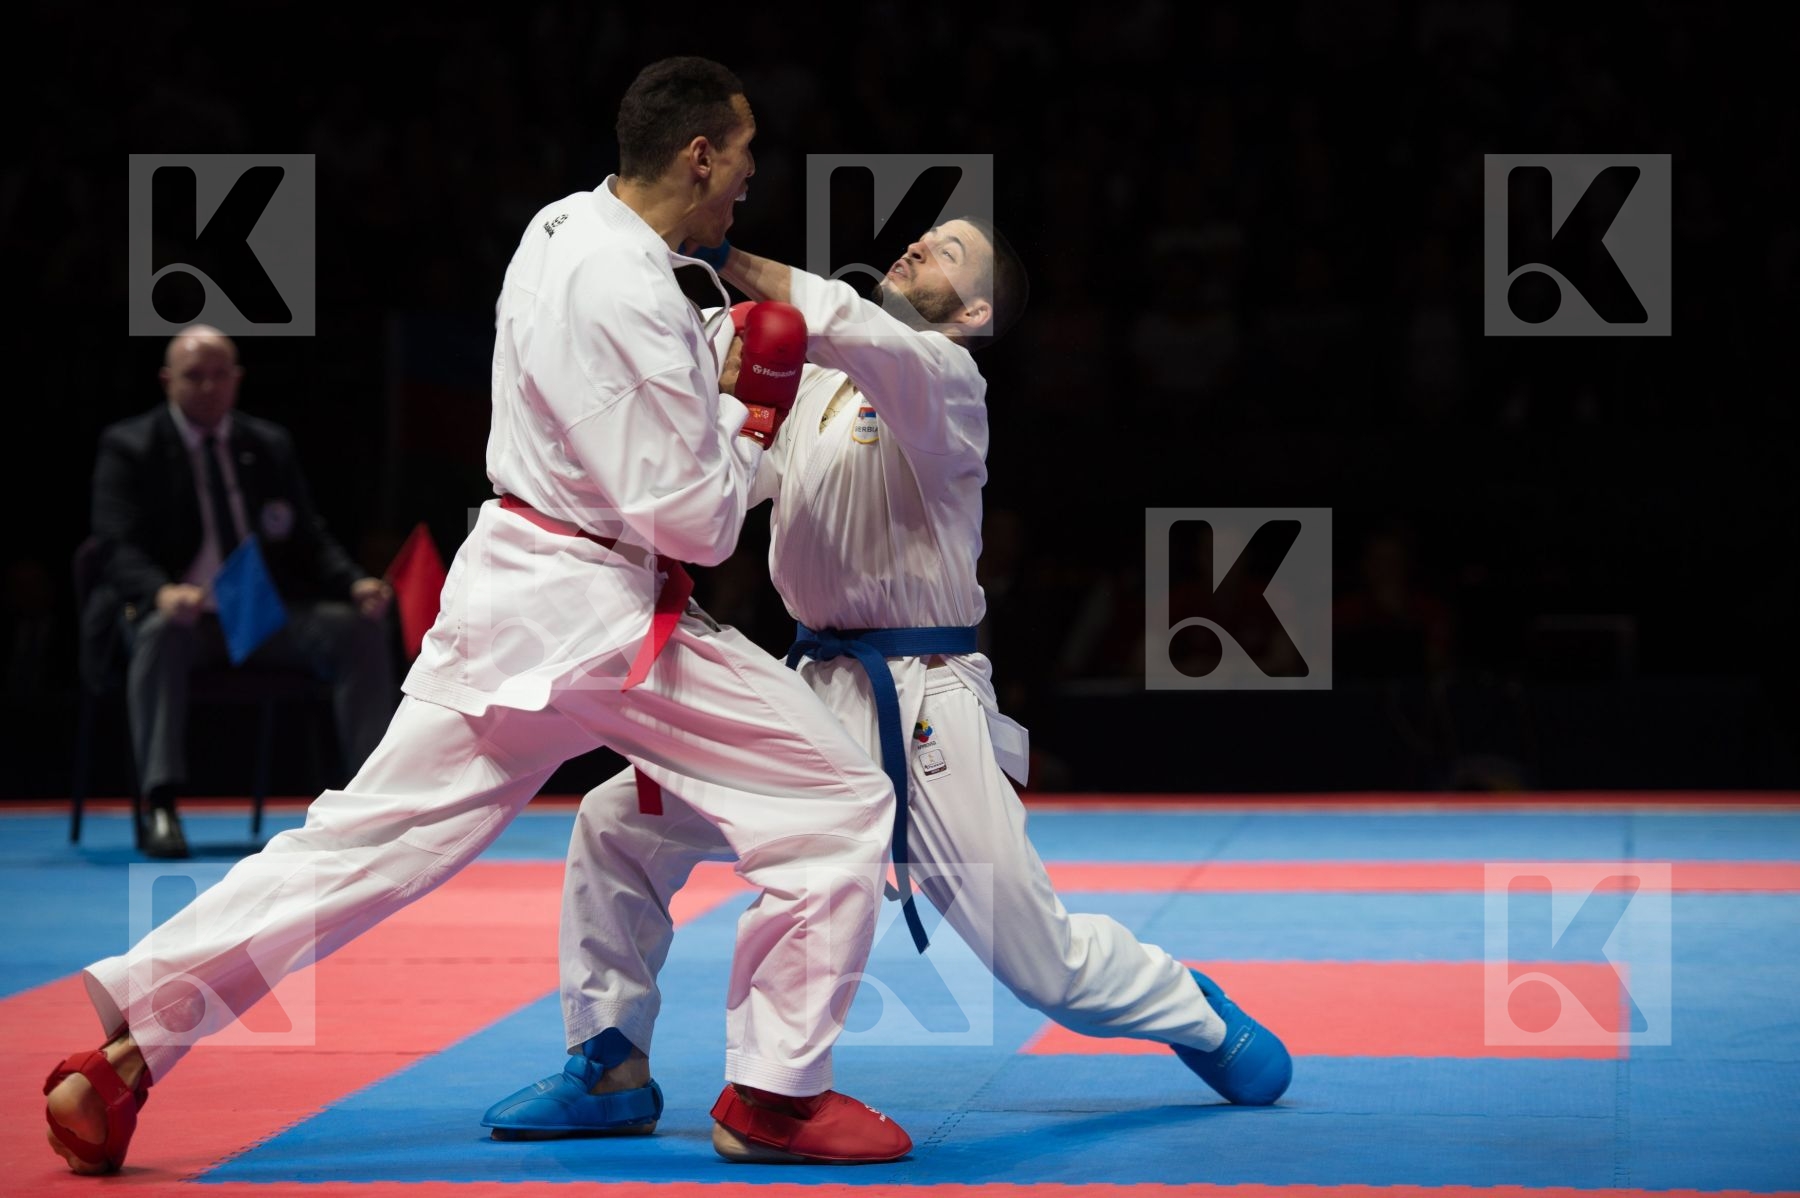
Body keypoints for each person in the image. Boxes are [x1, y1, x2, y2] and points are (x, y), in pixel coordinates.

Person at [44, 56, 911, 1175]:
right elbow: (692, 521)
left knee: (366, 841)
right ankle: (777, 1099)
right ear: (700, 155)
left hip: (512, 593)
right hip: (603, 616)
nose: (748, 185)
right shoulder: (634, 287)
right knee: (839, 801)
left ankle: (125, 1056)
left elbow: (605, 413)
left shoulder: (559, 228)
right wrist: (753, 420)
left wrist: (709, 376)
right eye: (742, 161)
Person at [482, 217, 1292, 1155]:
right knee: (619, 823)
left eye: (948, 252)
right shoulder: (822, 385)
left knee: (1041, 963)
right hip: (806, 685)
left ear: (977, 309)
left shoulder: (947, 384)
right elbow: (723, 484)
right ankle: (610, 1063)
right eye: (920, 237)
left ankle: (1196, 1014)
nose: (917, 247)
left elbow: (846, 322)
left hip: (922, 701)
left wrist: (720, 254)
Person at [85, 327, 397, 858]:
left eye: (218, 375)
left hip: (260, 618)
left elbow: (306, 535)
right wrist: (161, 592)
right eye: (193, 377)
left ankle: (373, 805)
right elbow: (114, 545)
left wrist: (353, 581)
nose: (208, 387)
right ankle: (159, 805)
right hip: (184, 620)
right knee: (160, 633)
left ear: (237, 379)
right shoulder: (130, 446)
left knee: (356, 628)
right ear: (167, 381)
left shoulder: (265, 444)